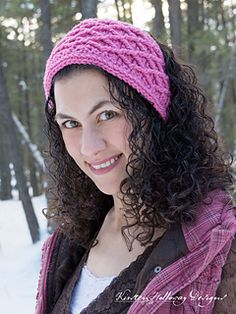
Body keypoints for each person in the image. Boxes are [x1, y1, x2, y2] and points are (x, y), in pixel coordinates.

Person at [35, 18, 236, 314]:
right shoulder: (68, 242)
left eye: (107, 115)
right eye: (70, 123)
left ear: (153, 111)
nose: (89, 146)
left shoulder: (219, 247)